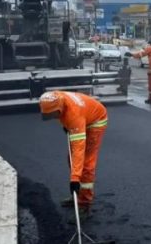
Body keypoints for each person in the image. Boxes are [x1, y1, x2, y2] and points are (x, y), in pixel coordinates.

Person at [39, 91, 108, 219]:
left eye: (53, 115)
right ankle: (77, 194)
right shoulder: (56, 97)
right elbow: (62, 116)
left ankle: (84, 204)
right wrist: (66, 125)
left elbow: (79, 149)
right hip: (82, 116)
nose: (52, 118)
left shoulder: (73, 115)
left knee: (86, 164)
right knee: (71, 158)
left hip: (96, 121)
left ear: (59, 109)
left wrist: (74, 179)